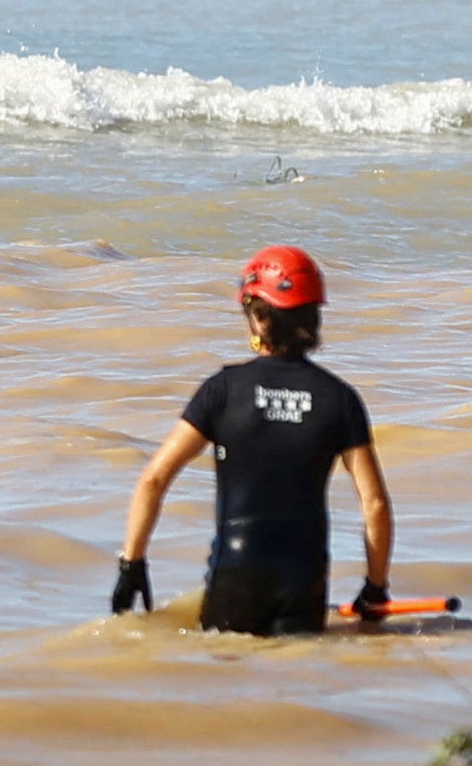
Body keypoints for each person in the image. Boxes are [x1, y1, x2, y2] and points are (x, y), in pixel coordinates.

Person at [112, 245, 396, 635]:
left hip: (236, 573)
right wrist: (375, 588)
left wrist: (132, 565)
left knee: (230, 682)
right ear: (313, 316)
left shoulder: (223, 391)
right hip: (305, 576)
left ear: (259, 317)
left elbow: (153, 480)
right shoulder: (339, 398)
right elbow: (375, 504)